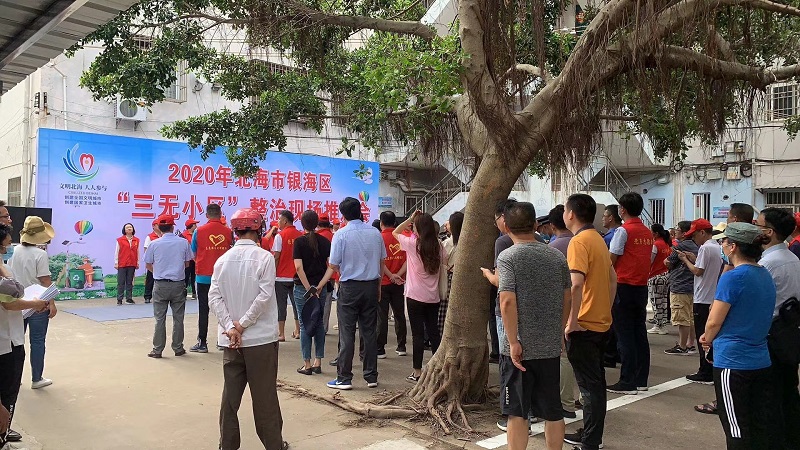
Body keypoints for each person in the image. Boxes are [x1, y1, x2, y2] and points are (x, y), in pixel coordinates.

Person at [207, 208, 287, 450]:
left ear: (235, 231)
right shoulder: (264, 258)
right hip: (260, 341)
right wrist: (242, 325)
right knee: (265, 398)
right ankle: (273, 444)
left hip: (231, 342)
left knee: (230, 400)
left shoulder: (222, 260)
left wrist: (230, 327)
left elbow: (214, 298)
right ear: (258, 229)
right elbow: (264, 296)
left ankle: (227, 444)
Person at [495, 202, 570, 450]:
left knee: (517, 411)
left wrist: (513, 341)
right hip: (549, 345)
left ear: (506, 226)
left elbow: (507, 300)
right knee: (553, 409)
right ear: (536, 224)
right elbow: (567, 297)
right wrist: (559, 332)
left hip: (519, 348)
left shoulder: (508, 257)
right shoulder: (556, 256)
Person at [700, 222, 779, 449]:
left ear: (733, 246)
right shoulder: (764, 274)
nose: (722, 246)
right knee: (757, 424)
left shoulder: (733, 277)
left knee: (736, 428)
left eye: (724, 242)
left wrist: (707, 337)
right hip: (761, 359)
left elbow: (714, 320)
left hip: (733, 361)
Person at [562, 194, 616, 450]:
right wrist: (606, 308)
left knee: (589, 387)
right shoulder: (598, 239)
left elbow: (576, 283)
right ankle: (591, 435)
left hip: (583, 324)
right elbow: (613, 279)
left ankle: (591, 441)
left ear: (571, 214)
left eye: (565, 210)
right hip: (600, 322)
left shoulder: (579, 241)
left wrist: (571, 321)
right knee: (596, 384)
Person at [319, 197, 385, 390]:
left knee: (347, 332)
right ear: (360, 211)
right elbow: (381, 261)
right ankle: (371, 376)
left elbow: (333, 263)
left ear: (343, 215)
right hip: (371, 285)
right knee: (369, 332)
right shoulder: (375, 233)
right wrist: (378, 285)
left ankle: (344, 377)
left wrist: (344, 270)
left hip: (349, 287)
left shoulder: (341, 234)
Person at [0, 223, 48, 446]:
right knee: (8, 393)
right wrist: (37, 303)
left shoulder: (11, 257)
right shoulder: (39, 255)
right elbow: (12, 296)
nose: (8, 247)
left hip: (12, 331)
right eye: (5, 246)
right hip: (7, 340)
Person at [756, 208, 800, 448]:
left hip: (771, 333)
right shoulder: (792, 258)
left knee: (770, 395)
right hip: (789, 331)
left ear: (769, 232)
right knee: (789, 391)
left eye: (758, 225)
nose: (755, 229)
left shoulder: (767, 263)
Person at [393, 211, 447, 383]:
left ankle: (417, 372)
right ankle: (438, 369)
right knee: (434, 333)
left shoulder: (413, 244)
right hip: (433, 297)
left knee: (417, 335)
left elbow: (395, 232)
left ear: (418, 228)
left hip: (414, 296)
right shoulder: (439, 246)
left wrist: (409, 219)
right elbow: (445, 262)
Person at [607, 192, 652, 394]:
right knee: (639, 333)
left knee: (624, 335)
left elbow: (612, 258)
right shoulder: (647, 232)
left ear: (622, 210)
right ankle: (641, 379)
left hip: (623, 285)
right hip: (641, 286)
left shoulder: (623, 231)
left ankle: (627, 381)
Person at [8, 216, 57, 390]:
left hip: (18, 302)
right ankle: (37, 378)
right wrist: (52, 303)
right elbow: (45, 280)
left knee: (15, 342)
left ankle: (14, 379)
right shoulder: (40, 254)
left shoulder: (13, 251)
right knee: (37, 341)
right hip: (38, 303)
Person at [482, 199, 516, 431]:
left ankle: (510, 413)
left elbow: (501, 282)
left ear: (504, 218)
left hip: (506, 311)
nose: (496, 225)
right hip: (530, 312)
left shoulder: (502, 242)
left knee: (508, 361)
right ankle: (528, 410)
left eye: (496, 220)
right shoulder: (541, 242)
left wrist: (488, 275)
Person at [675, 219, 722, 387]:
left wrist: (685, 260)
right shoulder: (716, 247)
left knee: (703, 336)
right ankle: (709, 369)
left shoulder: (705, 248)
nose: (693, 239)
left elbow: (698, 271)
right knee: (710, 337)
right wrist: (694, 258)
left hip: (702, 298)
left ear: (702, 232)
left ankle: (705, 371)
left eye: (694, 235)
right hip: (712, 295)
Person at [144, 214, 193, 358]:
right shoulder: (183, 242)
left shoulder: (154, 244)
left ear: (159, 228)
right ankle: (178, 348)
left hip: (160, 284)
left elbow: (148, 264)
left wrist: (157, 272)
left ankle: (157, 349)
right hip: (178, 284)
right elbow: (187, 263)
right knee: (178, 318)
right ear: (172, 227)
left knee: (160, 318)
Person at [548, 205, 579, 420]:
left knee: (564, 354)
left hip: (562, 306)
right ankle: (582, 398)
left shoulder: (553, 248)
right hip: (586, 306)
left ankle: (566, 402)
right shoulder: (584, 242)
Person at [191, 203, 233, 353]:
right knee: (225, 309)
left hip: (203, 276)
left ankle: (202, 342)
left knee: (203, 310)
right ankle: (223, 341)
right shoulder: (228, 232)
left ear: (207, 215)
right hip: (224, 277)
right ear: (220, 214)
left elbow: (194, 252)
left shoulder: (199, 231)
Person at [293, 210, 331, 375]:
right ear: (317, 223)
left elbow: (298, 267)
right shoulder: (325, 242)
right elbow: (332, 266)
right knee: (319, 323)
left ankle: (307, 364)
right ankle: (318, 361)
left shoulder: (299, 242)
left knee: (304, 324)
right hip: (321, 288)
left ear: (302, 223)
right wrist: (320, 285)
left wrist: (309, 288)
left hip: (303, 288)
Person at [664, 221, 699, 354]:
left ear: (684, 233)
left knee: (682, 317)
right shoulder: (696, 246)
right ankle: (690, 343)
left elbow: (669, 262)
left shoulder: (681, 246)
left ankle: (682, 346)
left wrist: (666, 262)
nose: (675, 232)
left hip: (680, 285)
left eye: (678, 229)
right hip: (692, 285)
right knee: (690, 317)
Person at [378, 211, 407, 358]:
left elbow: (380, 261)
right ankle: (401, 346)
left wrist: (390, 276)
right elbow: (408, 260)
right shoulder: (401, 237)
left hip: (383, 282)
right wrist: (398, 275)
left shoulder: (379, 238)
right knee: (399, 314)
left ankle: (380, 349)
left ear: (381, 223)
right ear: (395, 222)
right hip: (399, 282)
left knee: (382, 316)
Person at [272, 210, 303, 342]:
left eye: (279, 220)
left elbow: (276, 256)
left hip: (281, 277)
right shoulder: (300, 235)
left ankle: (281, 333)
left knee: (281, 305)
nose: (278, 222)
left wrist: (273, 272)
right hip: (296, 276)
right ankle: (298, 331)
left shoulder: (280, 236)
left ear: (285, 221)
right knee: (297, 305)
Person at [439, 211, 463, 338]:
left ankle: (444, 334)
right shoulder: (467, 243)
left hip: (448, 277)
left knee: (445, 308)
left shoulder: (447, 243)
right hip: (462, 278)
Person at [646, 224, 672, 335]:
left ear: (655, 233)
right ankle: (663, 324)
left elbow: (649, 261)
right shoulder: (666, 244)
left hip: (655, 277)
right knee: (663, 302)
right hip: (665, 275)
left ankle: (658, 325)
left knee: (656, 302)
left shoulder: (656, 245)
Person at [316, 215, 337, 335]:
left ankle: (316, 327)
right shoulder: (333, 236)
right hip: (331, 274)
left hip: (318, 274)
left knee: (315, 301)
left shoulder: (316, 237)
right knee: (327, 302)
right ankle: (323, 327)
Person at [114, 223, 139, 305]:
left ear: (133, 229)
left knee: (130, 282)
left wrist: (137, 262)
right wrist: (116, 262)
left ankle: (129, 298)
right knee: (121, 282)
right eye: (127, 227)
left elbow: (137, 252)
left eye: (130, 227)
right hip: (122, 263)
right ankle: (119, 299)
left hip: (132, 263)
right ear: (124, 230)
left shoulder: (136, 240)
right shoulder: (120, 240)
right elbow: (117, 251)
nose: (129, 228)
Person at [143, 219, 162, 304]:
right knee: (150, 279)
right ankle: (147, 296)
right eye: (158, 225)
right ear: (153, 226)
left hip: (162, 261)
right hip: (153, 262)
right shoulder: (150, 237)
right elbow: (146, 249)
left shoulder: (164, 236)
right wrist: (148, 261)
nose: (160, 226)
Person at [182, 219, 199, 299]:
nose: (196, 226)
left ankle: (194, 293)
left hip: (195, 259)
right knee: (186, 276)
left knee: (194, 276)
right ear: (191, 226)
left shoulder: (197, 234)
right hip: (187, 260)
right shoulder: (183, 235)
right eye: (195, 224)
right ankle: (183, 293)